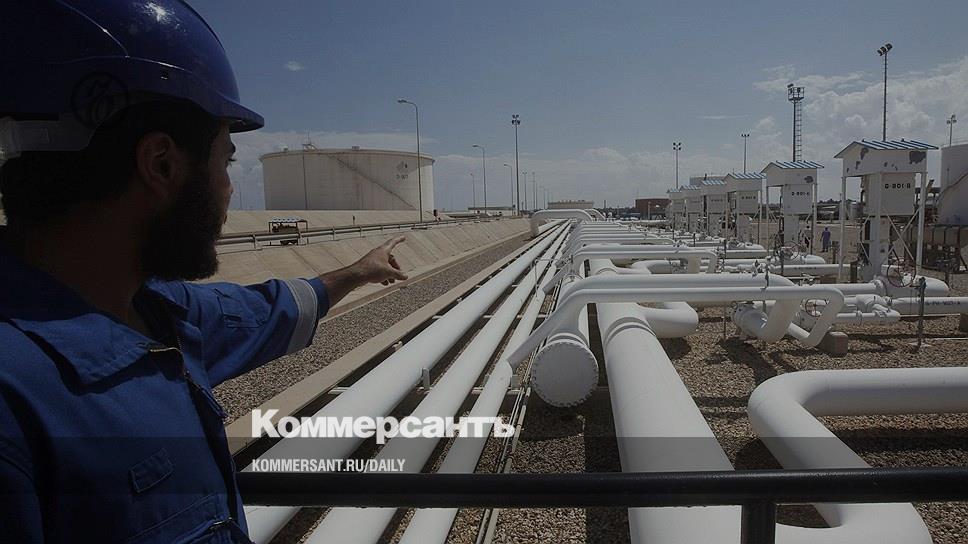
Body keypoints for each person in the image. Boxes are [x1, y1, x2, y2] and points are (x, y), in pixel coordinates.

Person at [0, 2, 407, 542]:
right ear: (162, 164)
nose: (230, 189)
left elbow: (262, 311)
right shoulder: (18, 401)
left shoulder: (153, 314)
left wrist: (356, 273)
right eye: (226, 161)